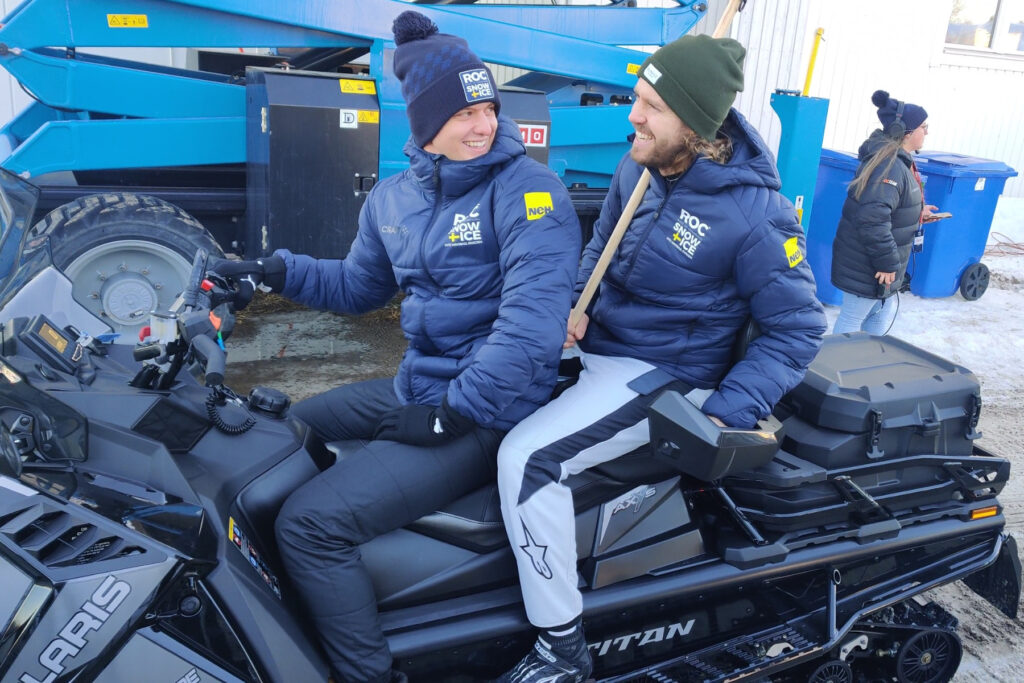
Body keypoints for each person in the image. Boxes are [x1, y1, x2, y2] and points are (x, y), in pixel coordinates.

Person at [211, 10, 581, 683]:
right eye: (465, 113)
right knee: (274, 430)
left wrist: (452, 414)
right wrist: (274, 272)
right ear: (423, 121)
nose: (485, 124)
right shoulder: (393, 200)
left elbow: (529, 333)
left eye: (488, 108)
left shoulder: (529, 193)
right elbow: (357, 287)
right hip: (419, 387)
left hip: (486, 413)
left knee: (310, 524)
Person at [494, 34, 827, 683]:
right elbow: (599, 249)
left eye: (650, 105)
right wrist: (573, 302)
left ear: (697, 125)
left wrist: (724, 413)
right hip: (598, 346)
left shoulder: (753, 213)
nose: (632, 117)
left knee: (527, 460)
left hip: (663, 374)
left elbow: (797, 324)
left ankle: (562, 645)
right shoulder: (637, 167)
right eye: (635, 99)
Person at [831, 90, 937, 335]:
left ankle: (866, 368)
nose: (927, 132)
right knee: (853, 319)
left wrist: (918, 212)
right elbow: (872, 219)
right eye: (924, 126)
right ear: (906, 132)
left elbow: (886, 207)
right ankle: (836, 368)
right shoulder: (888, 166)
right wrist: (888, 263)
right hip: (871, 265)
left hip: (880, 265)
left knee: (880, 314)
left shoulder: (897, 161)